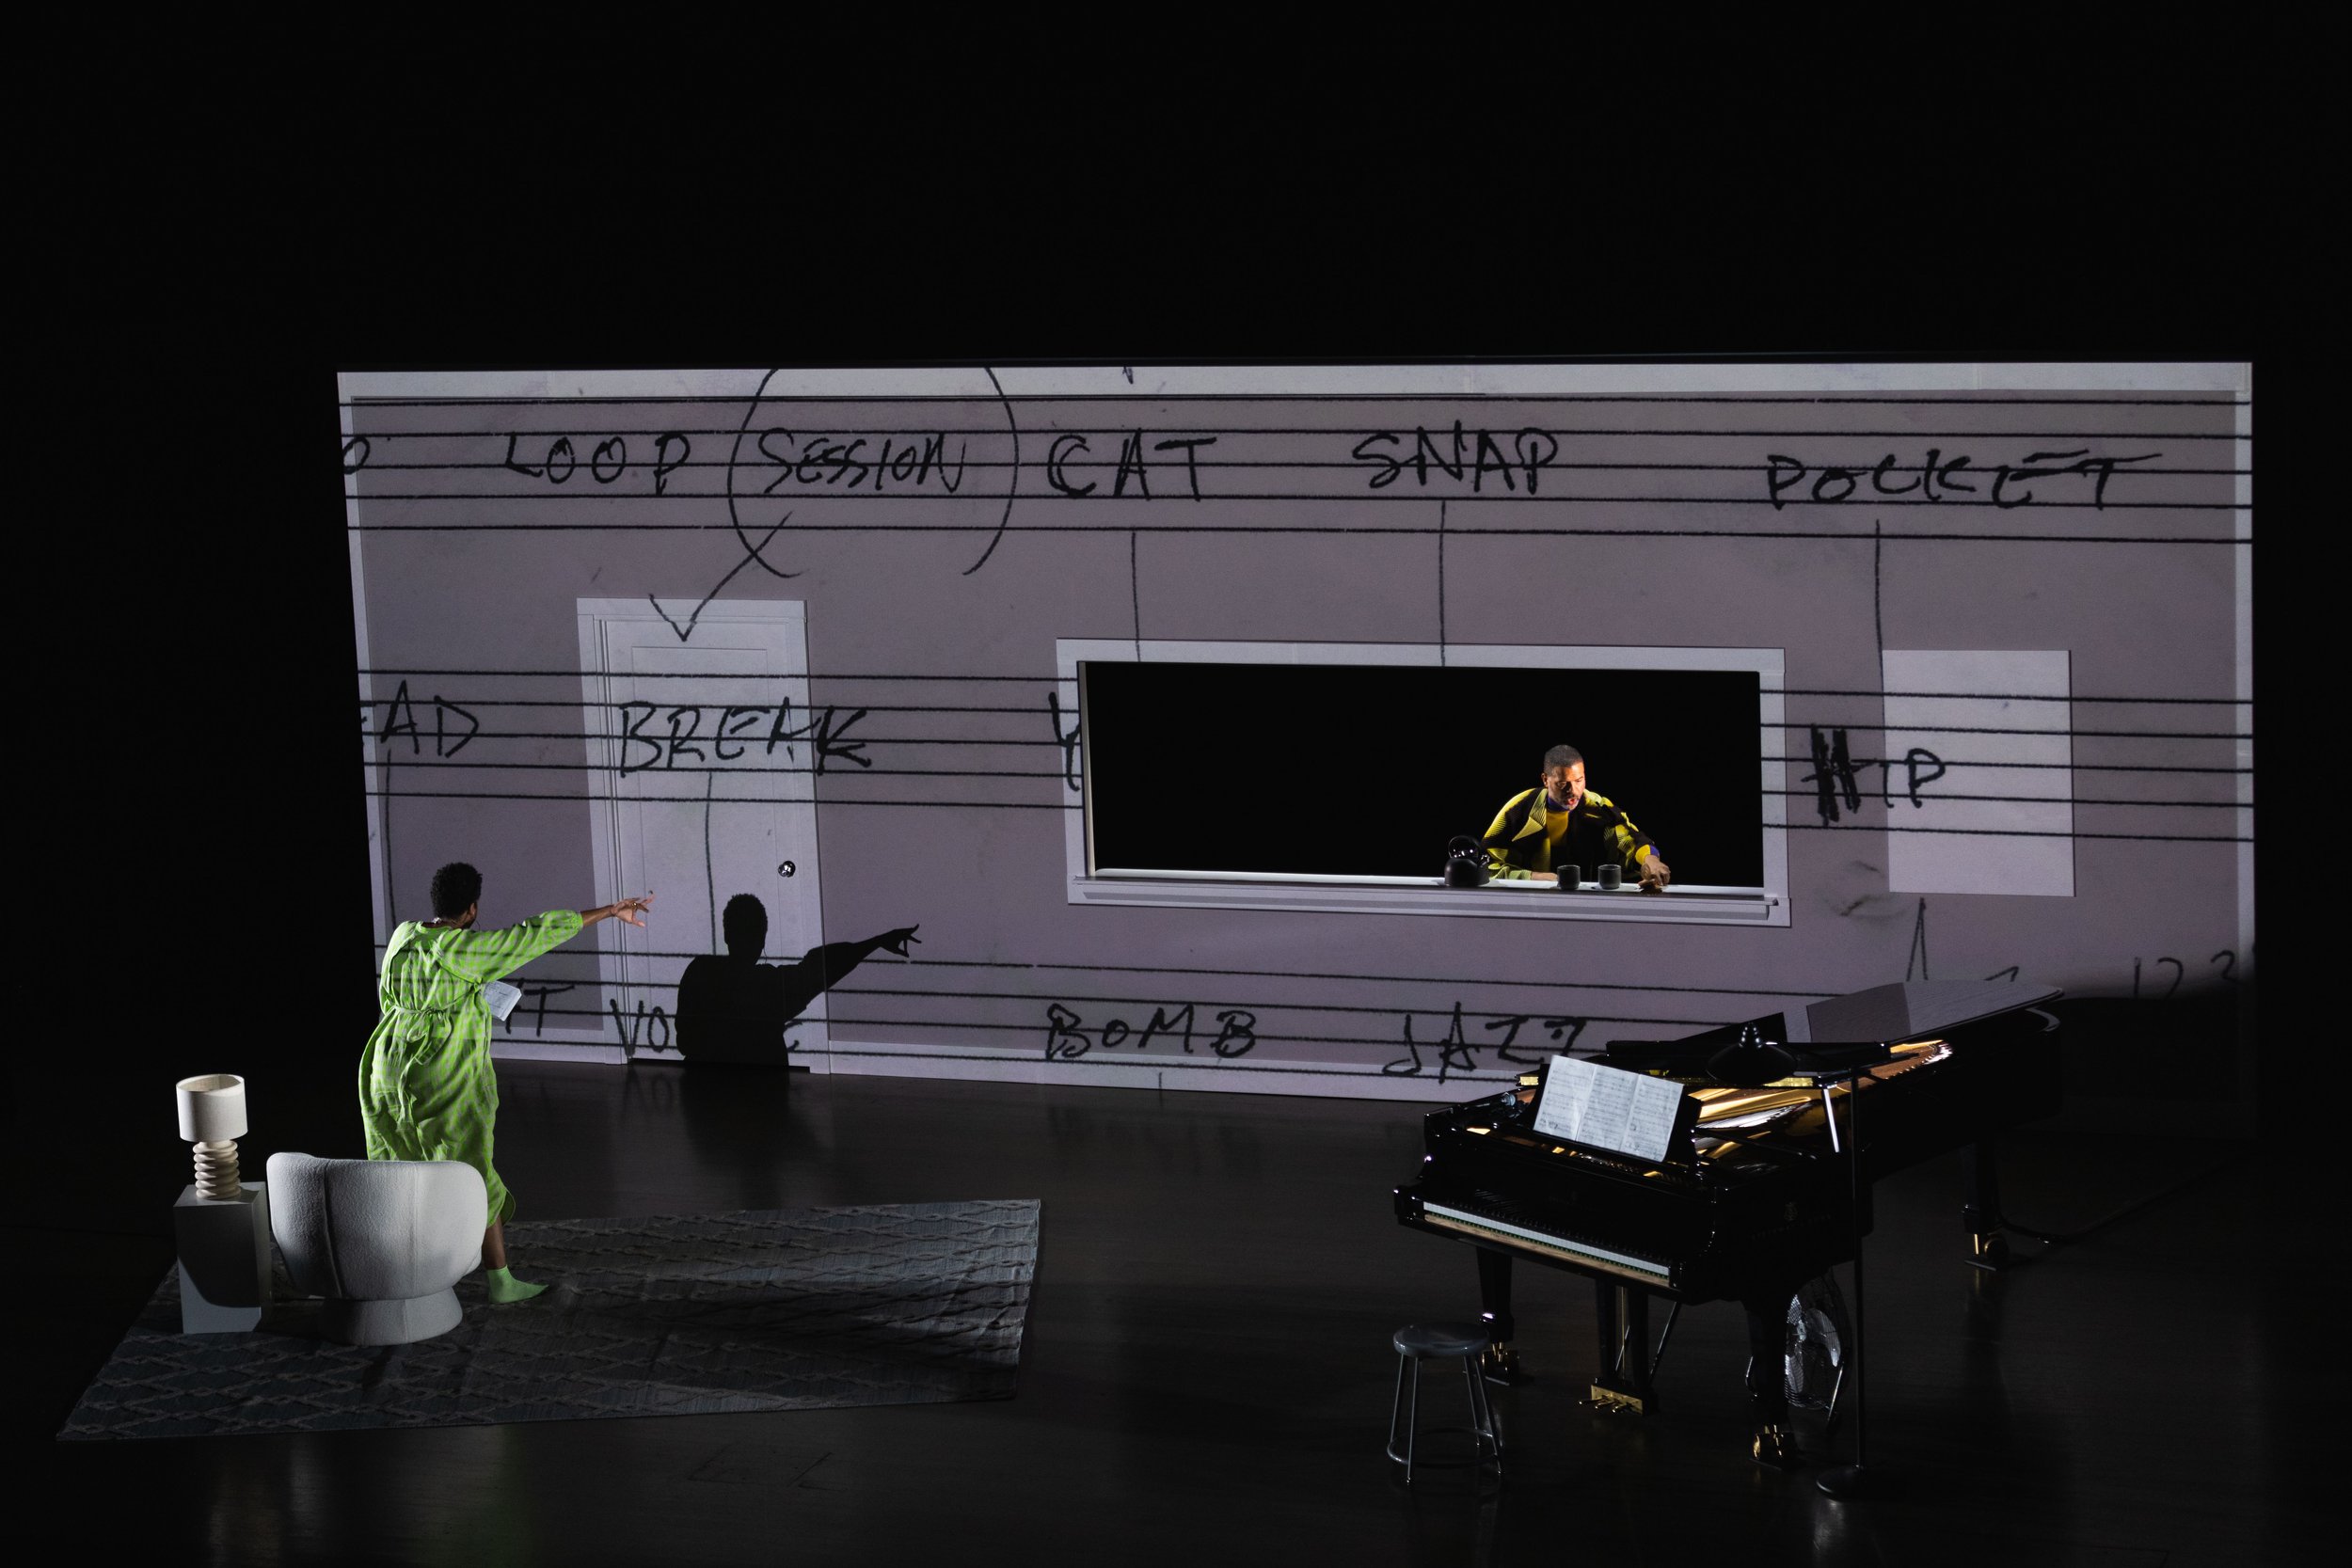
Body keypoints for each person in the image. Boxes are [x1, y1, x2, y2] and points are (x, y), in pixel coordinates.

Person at [360, 862, 653, 1304]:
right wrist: (611, 910)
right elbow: (535, 933)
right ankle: (501, 1282)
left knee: (398, 1164)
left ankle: (401, 1272)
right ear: (472, 910)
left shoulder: (403, 935)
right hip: (440, 1068)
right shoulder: (466, 950)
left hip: (385, 1063)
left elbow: (392, 995)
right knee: (472, 1169)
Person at [675, 895, 920, 1065]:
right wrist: (876, 942)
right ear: (762, 940)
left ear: (727, 935)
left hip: (704, 1099)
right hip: (762, 1106)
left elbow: (684, 1041)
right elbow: (819, 968)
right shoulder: (769, 984)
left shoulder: (700, 971)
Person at [1482, 744, 1672, 892]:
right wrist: (1532, 877)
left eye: (1579, 781)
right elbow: (1485, 864)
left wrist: (1651, 861)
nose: (1573, 791)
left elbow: (1630, 840)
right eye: (1562, 784)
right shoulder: (1518, 809)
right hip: (1528, 901)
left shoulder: (1597, 807)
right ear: (1545, 780)